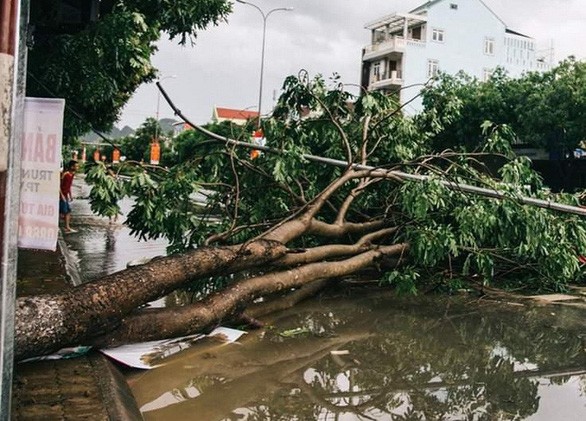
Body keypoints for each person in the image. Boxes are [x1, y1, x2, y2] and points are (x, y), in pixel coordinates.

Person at [59, 160, 79, 233]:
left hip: (65, 195)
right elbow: (59, 185)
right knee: (62, 212)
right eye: (76, 166)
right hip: (61, 195)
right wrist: (62, 196)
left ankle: (67, 227)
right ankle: (60, 227)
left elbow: (69, 186)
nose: (77, 167)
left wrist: (70, 195)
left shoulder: (72, 175)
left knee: (67, 211)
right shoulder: (65, 174)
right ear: (72, 166)